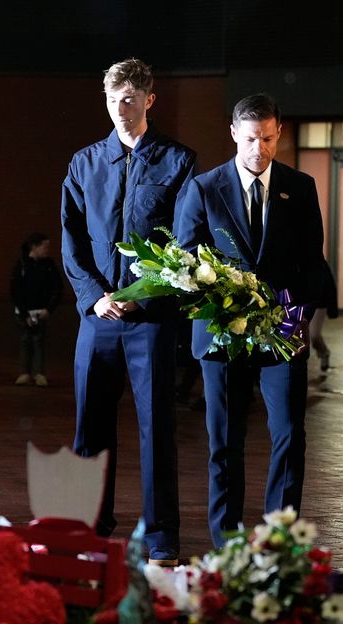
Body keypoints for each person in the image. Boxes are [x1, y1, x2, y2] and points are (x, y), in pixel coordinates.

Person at [173, 93, 326, 548]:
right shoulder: (204, 187)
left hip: (281, 329)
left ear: (278, 135)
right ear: (234, 134)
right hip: (223, 333)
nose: (259, 147)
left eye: (268, 137)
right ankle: (227, 543)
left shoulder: (300, 188)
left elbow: (312, 263)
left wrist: (295, 319)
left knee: (289, 436)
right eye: (251, 138)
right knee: (224, 442)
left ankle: (280, 538)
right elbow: (185, 263)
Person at [61, 58, 196, 565]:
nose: (121, 107)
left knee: (157, 431)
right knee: (89, 430)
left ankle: (161, 536)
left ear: (148, 100)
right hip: (97, 319)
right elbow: (71, 242)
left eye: (131, 98)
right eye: (113, 97)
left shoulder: (178, 162)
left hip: (150, 322)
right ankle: (89, 527)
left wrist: (141, 295)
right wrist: (95, 297)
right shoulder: (84, 163)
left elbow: (185, 244)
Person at [10, 233, 63, 387]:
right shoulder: (22, 265)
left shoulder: (49, 265)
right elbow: (16, 291)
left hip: (42, 311)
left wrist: (49, 309)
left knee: (39, 341)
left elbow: (57, 288)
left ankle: (39, 373)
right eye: (44, 246)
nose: (47, 250)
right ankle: (24, 373)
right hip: (24, 311)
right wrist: (24, 313)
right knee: (25, 340)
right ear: (34, 246)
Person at [309, 260, 339, 372]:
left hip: (319, 303)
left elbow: (330, 286)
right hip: (301, 303)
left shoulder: (320, 263)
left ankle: (324, 353)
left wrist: (333, 310)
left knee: (314, 335)